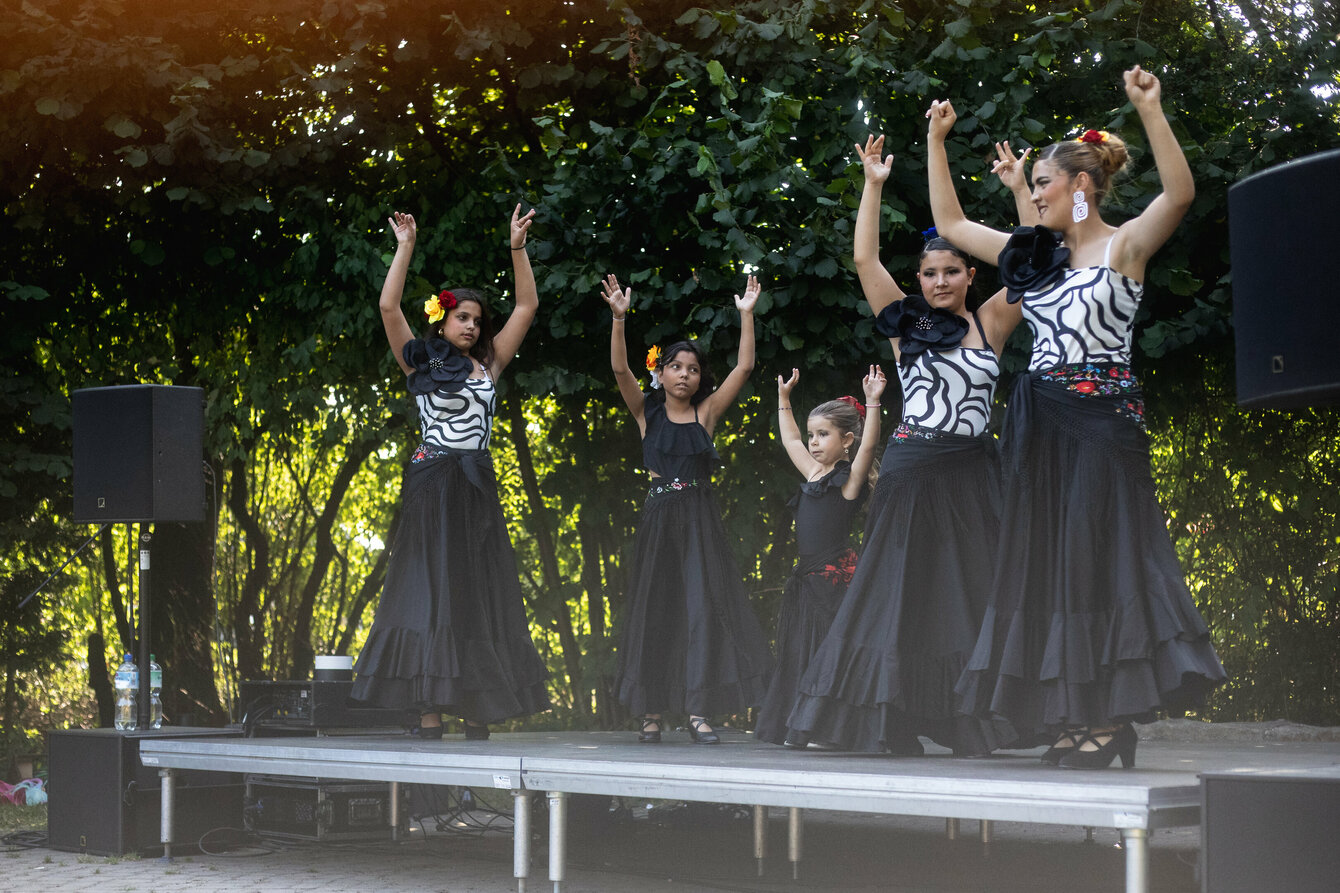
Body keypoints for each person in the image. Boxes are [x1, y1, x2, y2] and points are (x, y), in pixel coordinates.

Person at [928, 66, 1227, 768]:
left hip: (1101, 423)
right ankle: (1075, 718)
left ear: (1080, 187)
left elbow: (1180, 193)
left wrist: (1150, 109)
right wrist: (936, 141)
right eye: (1032, 188)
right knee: (1050, 569)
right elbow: (950, 224)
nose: (1033, 195)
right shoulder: (1034, 264)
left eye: (1042, 185)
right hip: (1040, 424)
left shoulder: (1124, 247)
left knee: (1098, 563)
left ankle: (1109, 719)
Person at [784, 135, 1019, 755]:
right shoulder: (907, 326)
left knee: (970, 593)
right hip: (914, 471)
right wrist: (873, 184)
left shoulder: (991, 321)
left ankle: (966, 719)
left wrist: (1021, 191)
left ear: (972, 273)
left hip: (972, 474)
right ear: (917, 280)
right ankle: (886, 719)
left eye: (951, 271)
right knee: (899, 594)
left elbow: (1035, 262)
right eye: (929, 273)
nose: (940, 281)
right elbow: (864, 262)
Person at [351, 206, 552, 740]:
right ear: (442, 319)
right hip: (432, 484)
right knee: (429, 590)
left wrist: (517, 247)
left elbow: (528, 304)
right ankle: (428, 710)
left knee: (477, 591)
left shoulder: (490, 364)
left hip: (476, 487)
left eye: (477, 320)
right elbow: (387, 305)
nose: (471, 325)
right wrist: (405, 246)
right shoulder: (419, 362)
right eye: (462, 317)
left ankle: (477, 704)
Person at [602, 272, 773, 744]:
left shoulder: (707, 413)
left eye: (693, 369)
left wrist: (746, 317)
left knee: (702, 611)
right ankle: (651, 714)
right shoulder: (646, 411)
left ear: (700, 378)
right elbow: (619, 372)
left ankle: (700, 711)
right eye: (676, 366)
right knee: (656, 611)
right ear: (660, 373)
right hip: (659, 520)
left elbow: (743, 369)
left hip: (699, 521)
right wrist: (619, 319)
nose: (684, 374)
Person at [752, 366, 885, 747]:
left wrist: (873, 402)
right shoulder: (812, 474)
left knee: (831, 653)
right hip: (806, 584)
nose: (812, 442)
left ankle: (831, 729)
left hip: (834, 582)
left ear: (846, 441)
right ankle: (802, 725)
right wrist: (783, 401)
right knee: (801, 654)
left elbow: (870, 447)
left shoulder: (847, 480)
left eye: (822, 435)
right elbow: (790, 439)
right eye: (813, 435)